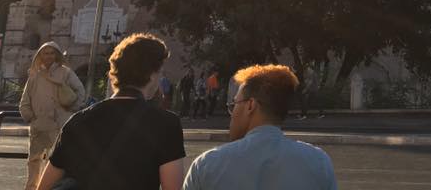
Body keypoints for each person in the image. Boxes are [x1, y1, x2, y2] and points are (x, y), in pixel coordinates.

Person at [36, 32, 185, 190]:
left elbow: (44, 187)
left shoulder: (77, 121)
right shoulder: (166, 124)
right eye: (160, 72)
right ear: (151, 75)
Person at [182, 64, 337, 190]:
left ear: (251, 105)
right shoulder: (319, 163)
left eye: (234, 104)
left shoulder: (207, 165)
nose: (232, 112)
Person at [19, 42, 86, 190]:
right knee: (34, 160)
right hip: (39, 124)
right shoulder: (34, 74)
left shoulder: (66, 73)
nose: (48, 56)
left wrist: (70, 111)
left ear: (56, 55)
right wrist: (30, 117)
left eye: (51, 53)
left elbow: (80, 92)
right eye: (45, 53)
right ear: (40, 56)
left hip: (59, 125)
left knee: (56, 162)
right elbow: (25, 99)